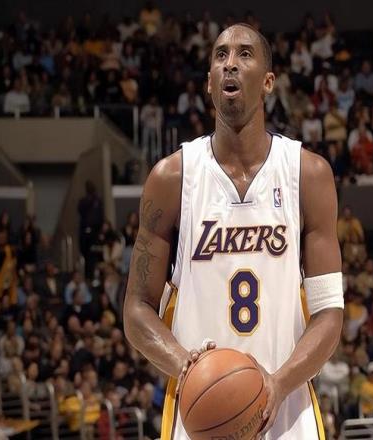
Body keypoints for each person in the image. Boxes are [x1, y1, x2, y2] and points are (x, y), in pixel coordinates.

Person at [123, 23, 344, 440]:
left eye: (244, 54)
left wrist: (278, 383)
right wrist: (187, 366)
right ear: (209, 83)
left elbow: (329, 313)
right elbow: (136, 310)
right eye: (220, 55)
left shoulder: (308, 175)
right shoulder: (171, 179)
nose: (230, 64)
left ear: (268, 82)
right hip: (201, 413)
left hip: (288, 412)